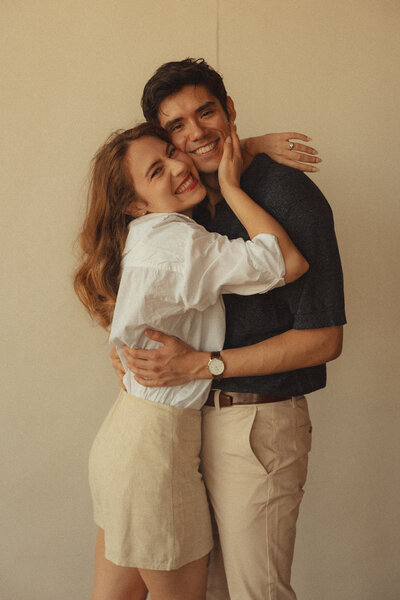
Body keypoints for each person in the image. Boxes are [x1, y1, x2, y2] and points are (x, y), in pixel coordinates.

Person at [112, 58, 346, 600]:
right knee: (211, 591)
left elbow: (324, 339)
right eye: (176, 129)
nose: (194, 134)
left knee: (255, 591)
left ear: (229, 109)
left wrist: (203, 365)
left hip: (258, 425)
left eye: (207, 112)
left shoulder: (290, 196)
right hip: (188, 428)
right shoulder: (189, 204)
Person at [74, 121, 308, 600]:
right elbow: (286, 261)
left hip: (127, 440)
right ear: (134, 202)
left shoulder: (145, 233)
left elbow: (195, 140)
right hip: (157, 451)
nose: (180, 165)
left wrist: (253, 145)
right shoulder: (180, 242)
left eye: (170, 151)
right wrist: (229, 184)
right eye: (157, 170)